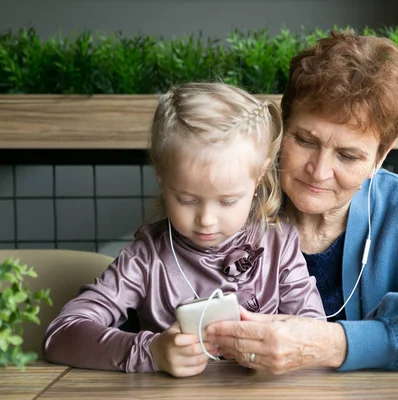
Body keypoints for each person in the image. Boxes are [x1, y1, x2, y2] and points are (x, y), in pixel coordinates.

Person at [206, 30, 398, 373]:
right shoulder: (228, 199)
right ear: (282, 127)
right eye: (304, 140)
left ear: (380, 157)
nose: (318, 172)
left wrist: (329, 344)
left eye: (348, 156)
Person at [43, 82, 325, 377]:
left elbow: (317, 338)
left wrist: (284, 344)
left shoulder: (279, 248)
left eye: (228, 201)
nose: (206, 219)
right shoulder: (146, 259)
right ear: (162, 176)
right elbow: (61, 335)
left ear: (259, 177)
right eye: (187, 200)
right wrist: (152, 351)